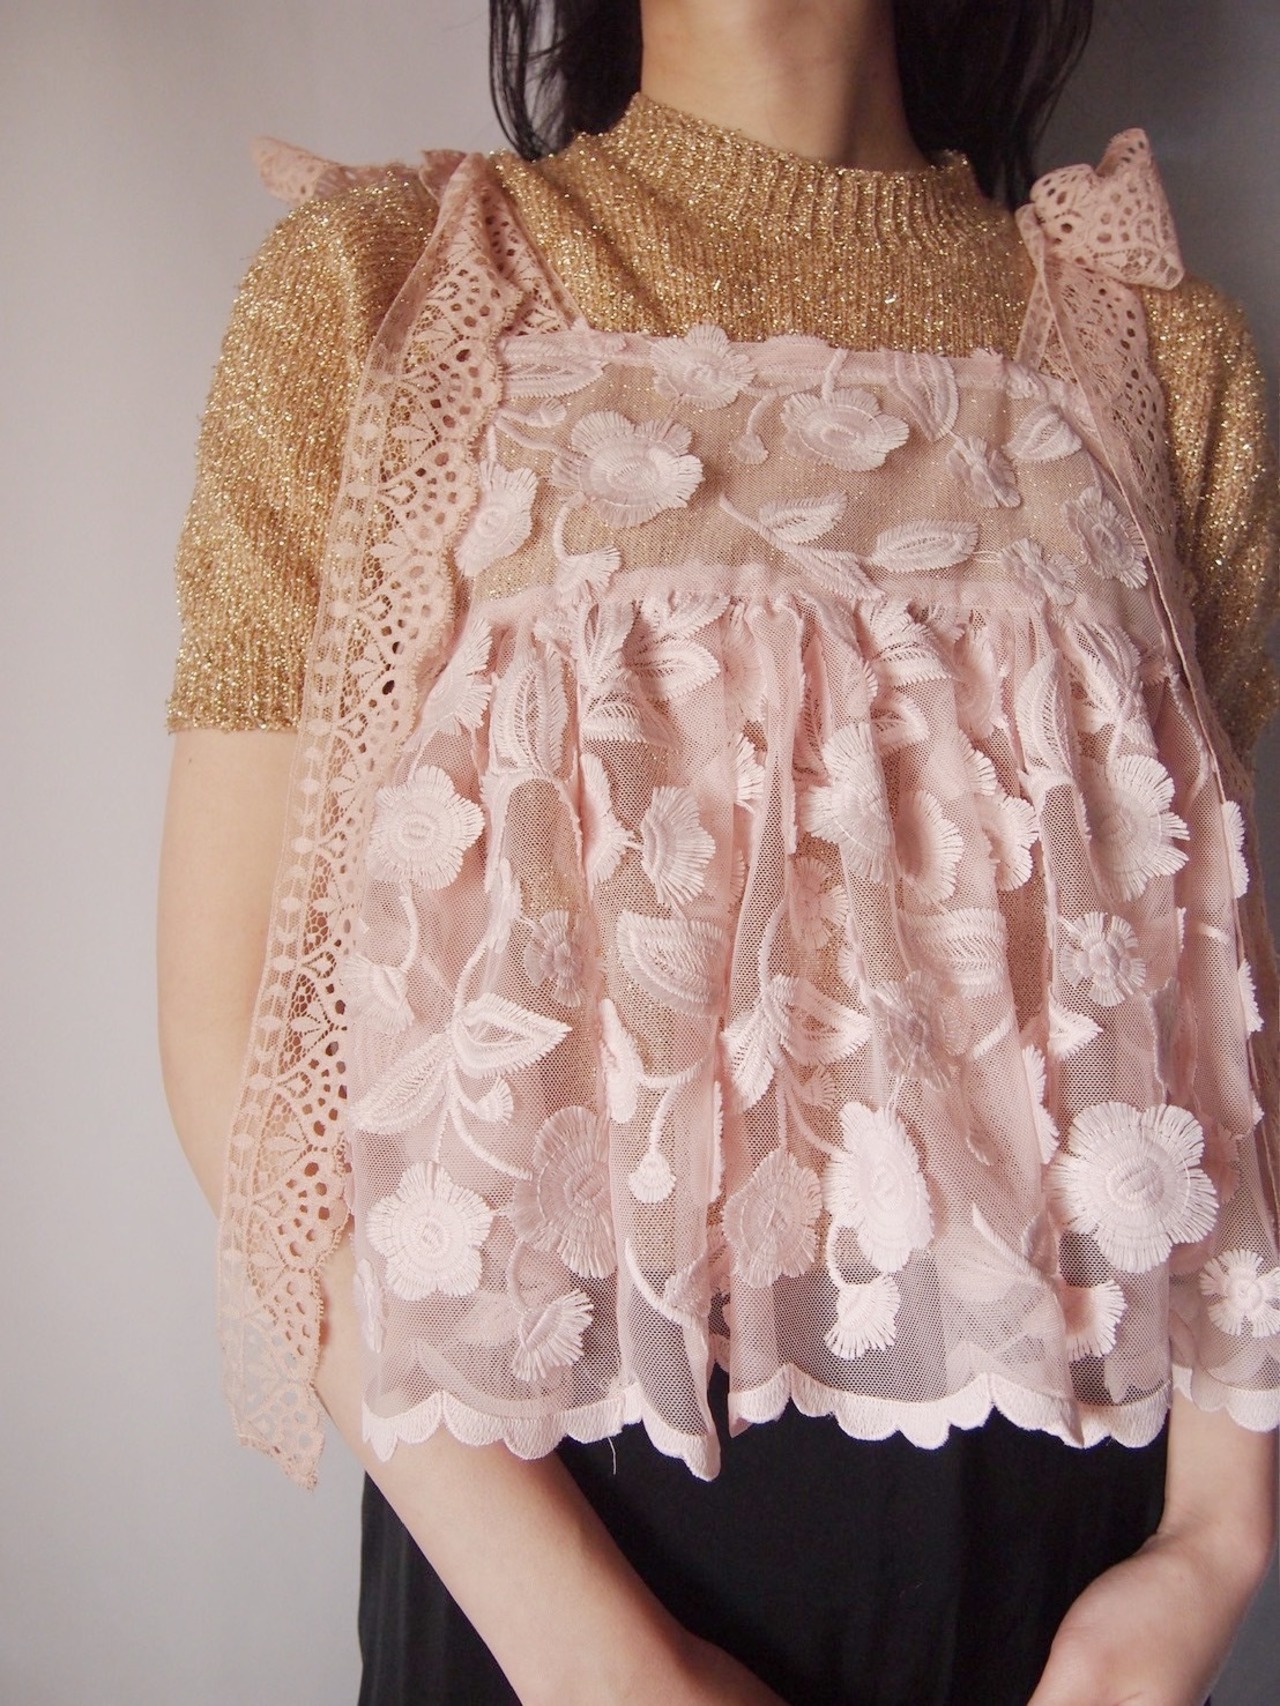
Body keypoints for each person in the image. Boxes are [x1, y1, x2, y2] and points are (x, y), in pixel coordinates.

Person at [157, 2, 1280, 1702]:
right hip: (552, 1569)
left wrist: (1211, 1547)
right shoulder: (382, 294)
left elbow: (1218, 1014)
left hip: (1053, 1582)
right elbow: (247, 1051)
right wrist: (602, 1661)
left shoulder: (1154, 352)